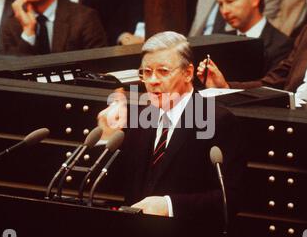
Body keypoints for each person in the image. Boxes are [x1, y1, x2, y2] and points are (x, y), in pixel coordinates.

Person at [98, 31, 245, 221]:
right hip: (135, 236)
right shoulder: (138, 116)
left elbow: (230, 199)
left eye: (163, 71)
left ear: (188, 73)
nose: (152, 81)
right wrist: (107, 138)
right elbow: (114, 184)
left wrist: (169, 205)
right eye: (147, 72)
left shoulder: (217, 121)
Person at [198, 0, 292, 84]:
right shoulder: (221, 43)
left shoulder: (282, 45)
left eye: (230, 1)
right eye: (221, 4)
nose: (224, 11)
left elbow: (272, 89)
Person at [2, 0, 107, 55]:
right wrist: (28, 32)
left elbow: (99, 66)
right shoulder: (12, 23)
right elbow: (14, 70)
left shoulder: (84, 18)